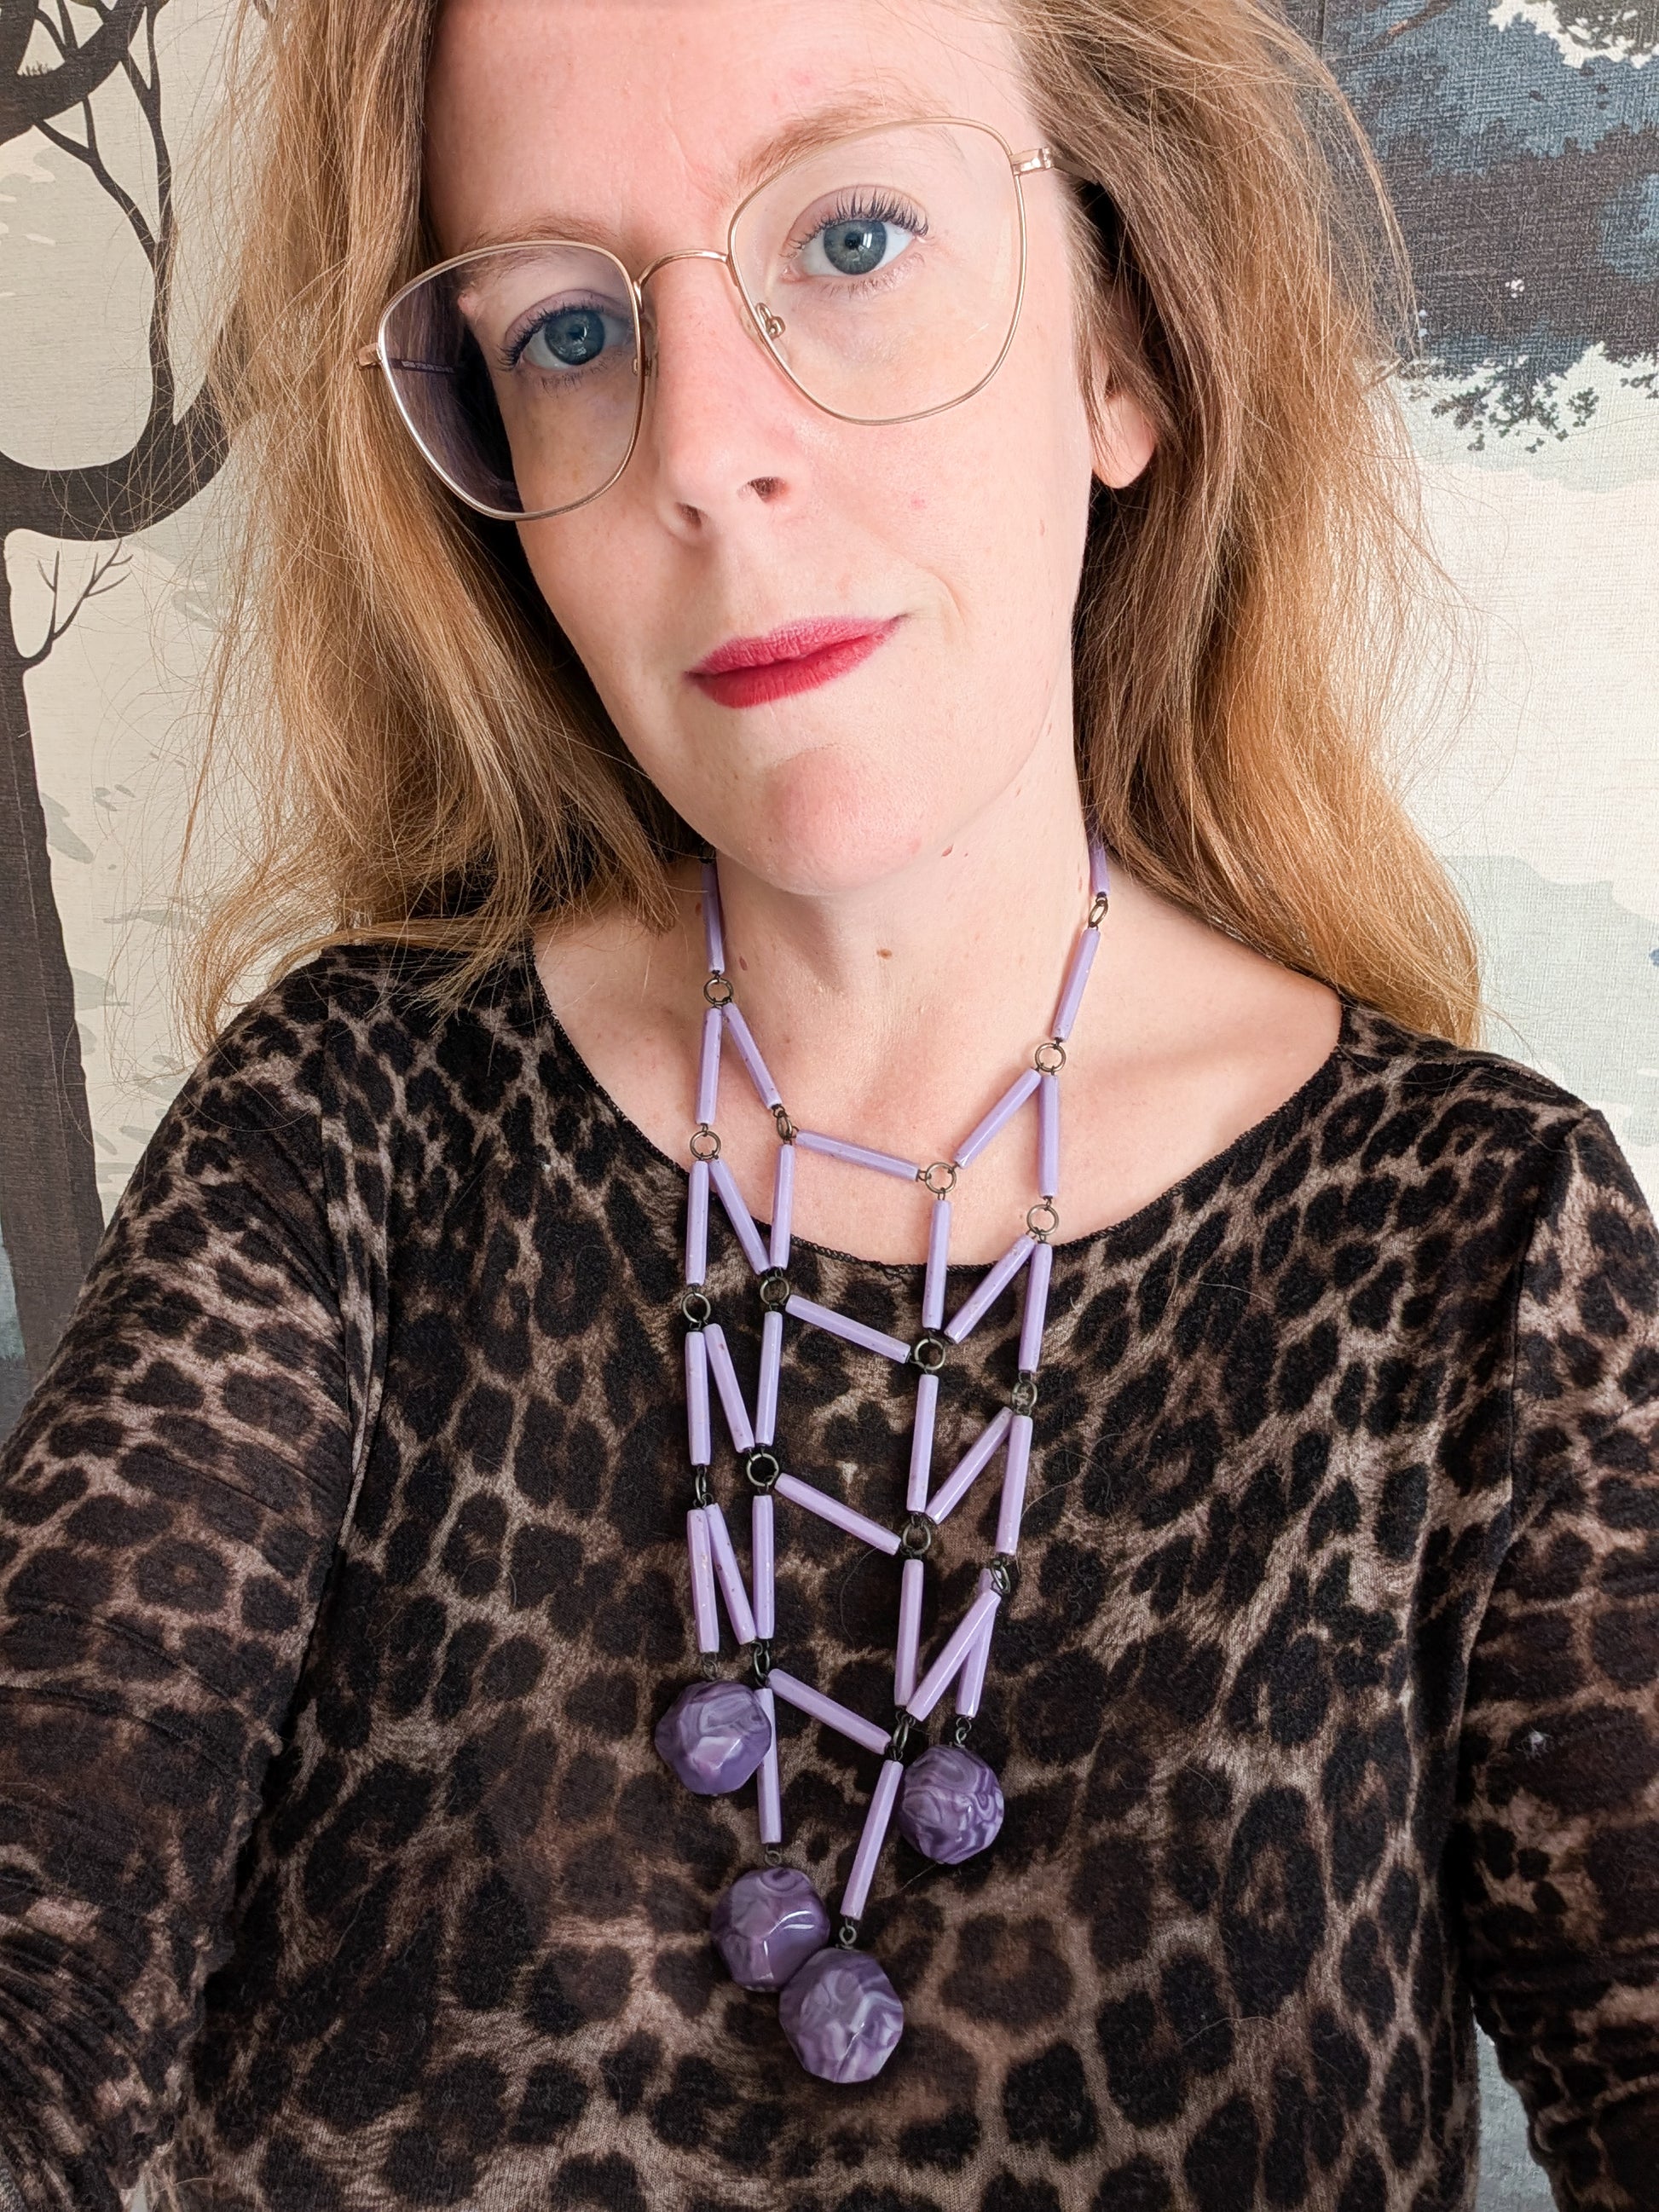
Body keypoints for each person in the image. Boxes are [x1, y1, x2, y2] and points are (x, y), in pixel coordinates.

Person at [1, 0, 1655, 2204]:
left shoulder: (1483, 1255)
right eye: (569, 328)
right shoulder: (346, 1142)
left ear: (1124, 348)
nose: (701, 448)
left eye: (854, 238)